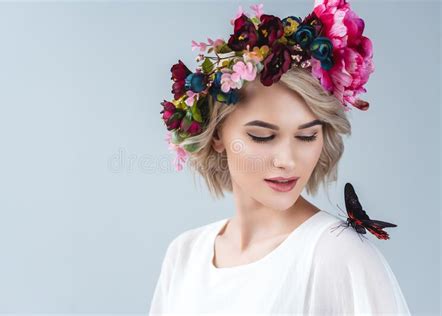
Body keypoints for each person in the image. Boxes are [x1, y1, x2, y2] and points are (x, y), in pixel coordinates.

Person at [152, 1, 411, 314]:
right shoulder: (184, 255)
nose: (287, 160)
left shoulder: (336, 255)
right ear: (217, 134)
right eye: (262, 136)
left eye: (306, 136)